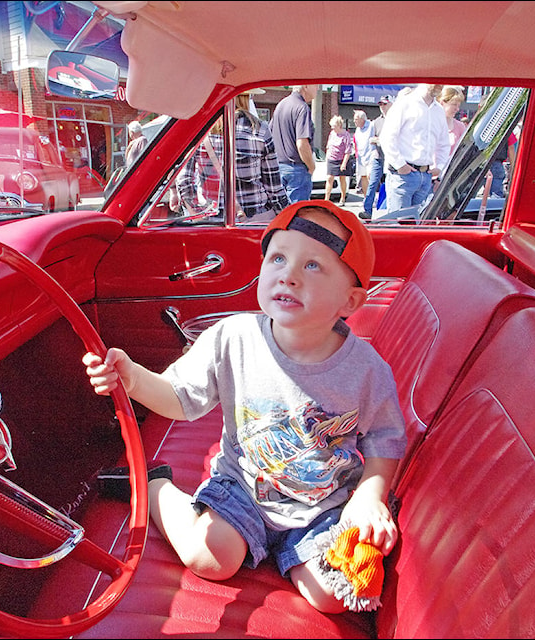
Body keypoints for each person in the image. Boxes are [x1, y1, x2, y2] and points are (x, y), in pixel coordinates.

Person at [83, 200, 407, 614]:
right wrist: (133, 379)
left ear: (351, 301)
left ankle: (293, 551)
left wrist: (370, 497)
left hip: (323, 505)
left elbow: (385, 439)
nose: (288, 275)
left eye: (313, 266)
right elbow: (179, 398)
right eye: (278, 258)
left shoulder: (366, 370)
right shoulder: (233, 337)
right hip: (244, 489)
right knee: (210, 559)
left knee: (335, 595)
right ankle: (155, 487)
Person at [176, 91, 290, 222]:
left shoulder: (202, 130)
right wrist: (289, 215)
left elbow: (184, 179)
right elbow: (274, 189)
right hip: (254, 220)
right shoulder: (259, 130)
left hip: (211, 220)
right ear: (247, 97)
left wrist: (196, 213)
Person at [379, 84, 451, 217]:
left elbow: (444, 143)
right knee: (398, 226)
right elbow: (387, 137)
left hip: (425, 175)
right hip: (403, 175)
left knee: (417, 227)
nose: (440, 84)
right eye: (436, 81)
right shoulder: (405, 104)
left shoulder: (438, 110)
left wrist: (439, 166)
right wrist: (400, 165)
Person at [270, 85, 319, 203]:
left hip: (278, 167)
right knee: (296, 215)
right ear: (306, 86)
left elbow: (270, 133)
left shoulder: (281, 105)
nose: (318, 88)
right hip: (296, 169)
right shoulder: (302, 108)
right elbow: (302, 143)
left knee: (282, 214)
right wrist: (311, 166)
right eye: (316, 85)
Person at [364, 95, 392, 220]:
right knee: (372, 183)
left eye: (384, 104)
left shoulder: (396, 119)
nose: (382, 107)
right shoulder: (376, 122)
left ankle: (389, 212)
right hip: (378, 157)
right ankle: (367, 211)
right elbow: (371, 139)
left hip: (392, 158)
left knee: (391, 185)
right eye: (380, 104)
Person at [324, 115, 354, 204]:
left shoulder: (346, 135)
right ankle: (326, 199)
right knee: (329, 178)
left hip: (341, 159)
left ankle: (343, 197)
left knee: (342, 178)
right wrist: (327, 157)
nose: (333, 128)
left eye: (334, 126)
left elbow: (348, 150)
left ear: (339, 125)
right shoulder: (332, 134)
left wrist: (344, 163)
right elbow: (329, 146)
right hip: (332, 158)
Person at [439, 85, 468, 156]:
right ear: (442, 103)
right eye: (454, 104)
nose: (457, 109)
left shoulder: (460, 127)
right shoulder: (431, 123)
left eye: (458, 106)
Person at [352, 110, 373, 198]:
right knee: (363, 177)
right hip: (361, 157)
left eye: (356, 119)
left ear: (362, 119)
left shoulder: (371, 126)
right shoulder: (357, 130)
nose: (354, 121)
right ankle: (366, 198)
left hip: (371, 156)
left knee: (370, 177)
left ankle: (372, 198)